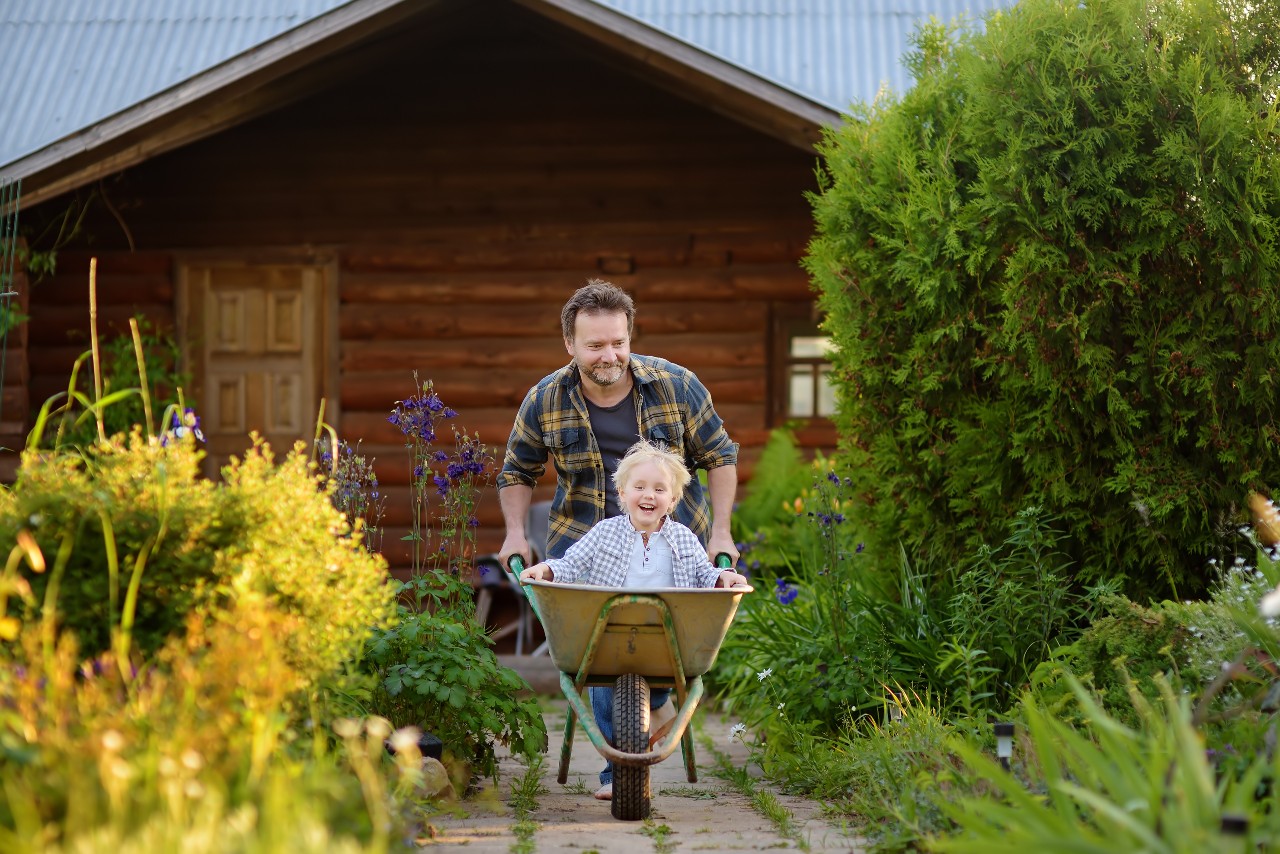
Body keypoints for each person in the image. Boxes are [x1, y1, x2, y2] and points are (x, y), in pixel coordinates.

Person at [497, 279, 742, 800]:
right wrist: (517, 536)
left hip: (673, 552)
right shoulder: (546, 398)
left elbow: (720, 455)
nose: (609, 356)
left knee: (653, 654)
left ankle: (648, 711)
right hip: (588, 550)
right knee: (601, 657)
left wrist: (721, 532)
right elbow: (516, 470)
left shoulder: (675, 386)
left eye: (618, 342)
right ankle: (628, 757)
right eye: (594, 346)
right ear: (569, 345)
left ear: (629, 336)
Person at [519, 439, 748, 800]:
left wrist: (725, 578)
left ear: (672, 500)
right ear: (622, 492)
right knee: (603, 689)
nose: (649, 495)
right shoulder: (604, 533)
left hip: (666, 645)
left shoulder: (684, 539)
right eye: (639, 487)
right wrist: (546, 569)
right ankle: (617, 773)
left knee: (645, 691)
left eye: (660, 489)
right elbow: (570, 564)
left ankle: (655, 707)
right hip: (607, 641)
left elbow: (705, 576)